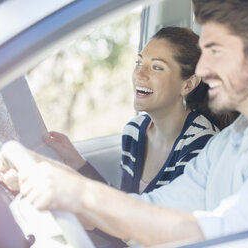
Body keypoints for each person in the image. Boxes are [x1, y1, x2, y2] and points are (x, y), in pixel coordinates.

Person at [0, 0, 248, 246]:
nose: (202, 69)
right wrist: (63, 184)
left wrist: (83, 194)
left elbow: (225, 238)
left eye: (214, 50)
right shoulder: (229, 143)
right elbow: (153, 210)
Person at [42, 27, 235, 195]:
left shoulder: (201, 143)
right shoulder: (134, 130)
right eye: (139, 63)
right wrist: (77, 163)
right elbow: (125, 207)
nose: (140, 74)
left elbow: (152, 224)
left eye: (157, 67)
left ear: (188, 84)